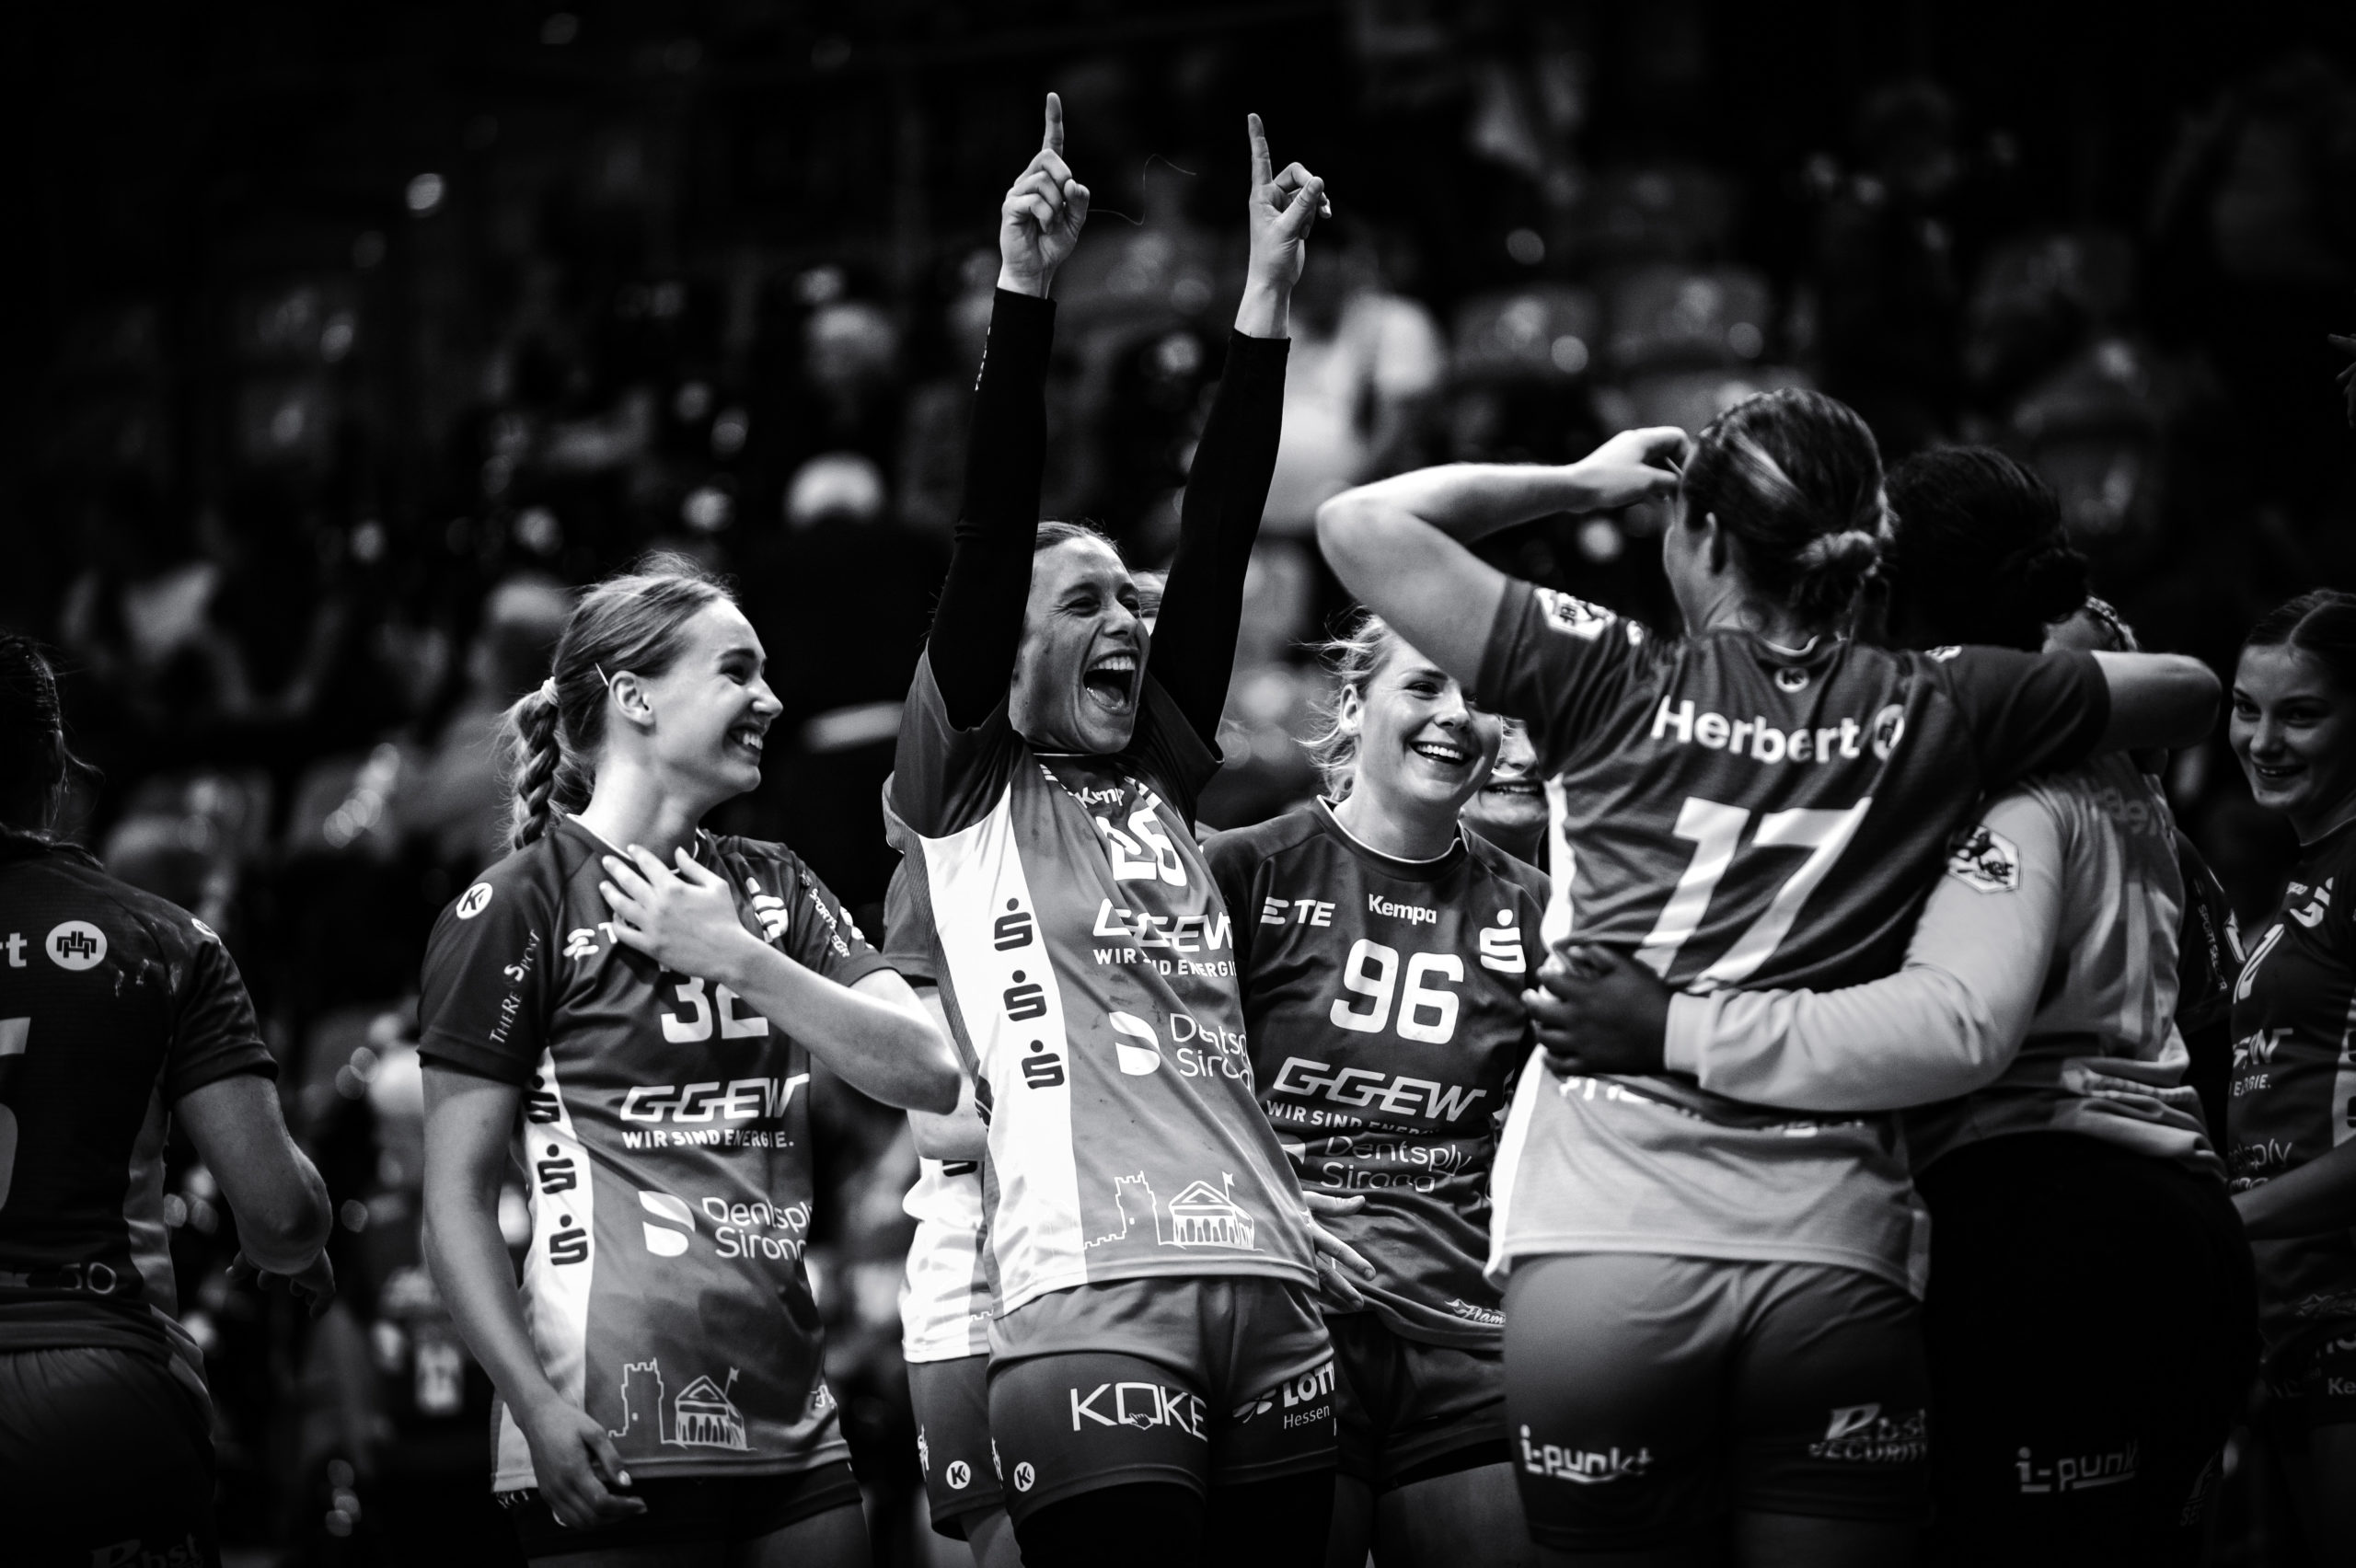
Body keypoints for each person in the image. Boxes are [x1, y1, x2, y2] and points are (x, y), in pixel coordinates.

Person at [1314, 395, 2220, 1566]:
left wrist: (1582, 482)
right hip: (1832, 1249)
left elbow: (1357, 524)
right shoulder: (1933, 702)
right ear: (1861, 552)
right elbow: (2189, 689)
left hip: (1608, 1244)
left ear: (1698, 536)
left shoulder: (1606, 672)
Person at [884, 98, 1361, 1568]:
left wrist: (1264, 298)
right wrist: (1026, 289)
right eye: (1086, 602)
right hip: (1094, 1292)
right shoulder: (963, 786)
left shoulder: (1156, 765)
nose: (1130, 621)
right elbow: (991, 532)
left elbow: (1215, 538)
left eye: (1128, 602)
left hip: (1270, 1276)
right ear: (1009, 651)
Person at [417, 556, 958, 1566]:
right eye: (737, 671)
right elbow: (454, 1206)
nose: (772, 699)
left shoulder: (773, 887)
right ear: (634, 698)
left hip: (793, 1420)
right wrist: (533, 1407)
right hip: (604, 1413)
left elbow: (930, 1074)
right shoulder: (517, 905)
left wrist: (737, 957)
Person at [1205, 614, 1548, 1568]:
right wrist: (1255, 1202)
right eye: (1425, 685)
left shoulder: (1536, 908)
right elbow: (1152, 1089)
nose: (1458, 715)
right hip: (1286, 1313)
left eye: (1480, 697)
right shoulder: (1244, 869)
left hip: (1468, 1328)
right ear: (1354, 705)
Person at [0, 633, 335, 1567]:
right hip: (95, 1385)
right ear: (56, 767)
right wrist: (295, 1242)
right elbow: (279, 1214)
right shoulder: (162, 941)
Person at [2223, 588, 2356, 1564]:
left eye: (2300, 714)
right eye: (2245, 709)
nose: (2263, 741)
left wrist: (2217, 1223)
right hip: (2292, 1311)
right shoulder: (2312, 868)